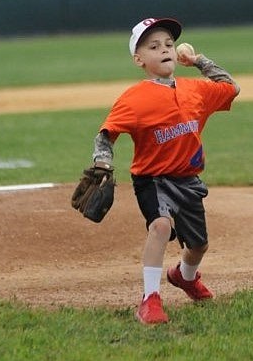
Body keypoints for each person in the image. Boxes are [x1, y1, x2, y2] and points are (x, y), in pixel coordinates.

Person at [92, 17, 240, 324]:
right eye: (154, 46)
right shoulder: (133, 99)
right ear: (139, 59)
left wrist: (200, 61)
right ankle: (150, 299)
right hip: (152, 178)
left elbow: (230, 87)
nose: (165, 50)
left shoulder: (195, 90)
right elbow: (106, 134)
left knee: (198, 245)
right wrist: (102, 161)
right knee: (159, 226)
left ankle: (185, 277)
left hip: (188, 179)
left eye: (169, 45)